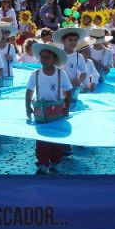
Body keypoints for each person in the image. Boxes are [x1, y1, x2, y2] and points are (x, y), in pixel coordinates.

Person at [25, 43, 73, 174]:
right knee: (41, 140)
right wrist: (28, 107)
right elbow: (29, 91)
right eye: (42, 57)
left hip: (57, 112)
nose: (44, 60)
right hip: (41, 112)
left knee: (56, 139)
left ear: (55, 60)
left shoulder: (61, 74)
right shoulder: (35, 74)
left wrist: (67, 108)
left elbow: (69, 91)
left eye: (47, 57)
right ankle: (42, 163)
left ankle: (55, 161)